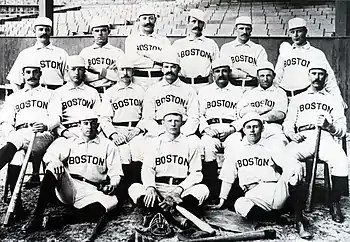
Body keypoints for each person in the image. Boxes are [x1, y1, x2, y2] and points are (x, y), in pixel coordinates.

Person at [22, 111, 123, 233]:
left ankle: (59, 219)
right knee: (53, 166)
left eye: (92, 123)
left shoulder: (108, 145)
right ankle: (36, 216)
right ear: (80, 125)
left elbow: (116, 172)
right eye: (86, 123)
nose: (89, 127)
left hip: (92, 190)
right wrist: (55, 161)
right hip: (70, 186)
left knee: (109, 205)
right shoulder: (70, 142)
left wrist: (113, 184)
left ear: (98, 125)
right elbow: (48, 156)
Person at [215, 112, 312, 239]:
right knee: (239, 204)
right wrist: (222, 199)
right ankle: (276, 218)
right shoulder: (236, 149)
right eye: (248, 127)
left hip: (275, 190)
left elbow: (285, 161)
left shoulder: (271, 145)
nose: (252, 131)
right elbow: (228, 176)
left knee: (293, 171)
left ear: (262, 128)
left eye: (256, 126)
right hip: (253, 194)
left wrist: (295, 166)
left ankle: (299, 222)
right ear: (243, 129)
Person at [283, 62, 348, 223]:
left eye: (321, 74)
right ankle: (292, 201)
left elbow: (342, 128)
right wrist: (292, 134)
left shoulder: (333, 100)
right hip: (303, 137)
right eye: (314, 73)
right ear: (308, 76)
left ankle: (334, 202)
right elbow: (288, 123)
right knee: (285, 156)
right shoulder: (298, 99)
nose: (317, 77)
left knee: (341, 160)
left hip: (325, 137)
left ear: (326, 77)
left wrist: (330, 126)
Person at [0, 59, 59, 221]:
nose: (31, 76)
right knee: (16, 158)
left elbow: (56, 117)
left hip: (42, 136)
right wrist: (11, 133)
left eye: (35, 72)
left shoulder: (50, 94)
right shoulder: (14, 97)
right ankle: (17, 204)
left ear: (40, 74)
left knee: (14, 145)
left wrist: (46, 125)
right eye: (28, 72)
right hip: (20, 136)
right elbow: (5, 121)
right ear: (23, 75)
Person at [128, 106, 209, 224]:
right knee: (134, 188)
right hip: (159, 186)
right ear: (163, 123)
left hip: (180, 188)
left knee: (203, 190)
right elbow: (147, 169)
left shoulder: (191, 143)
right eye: (169, 121)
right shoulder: (154, 142)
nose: (173, 124)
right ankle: (174, 215)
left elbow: (196, 174)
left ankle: (157, 213)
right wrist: (150, 187)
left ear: (182, 123)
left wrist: (178, 190)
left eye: (177, 121)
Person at [99, 55, 145, 202]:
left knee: (140, 150)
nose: (125, 73)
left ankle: (137, 189)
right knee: (123, 152)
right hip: (118, 129)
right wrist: (113, 134)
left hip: (136, 130)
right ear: (116, 71)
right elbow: (104, 118)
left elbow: (147, 116)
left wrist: (138, 129)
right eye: (122, 69)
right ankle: (123, 192)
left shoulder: (141, 90)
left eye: (128, 70)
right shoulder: (110, 92)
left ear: (133, 72)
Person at [198, 57, 243, 201]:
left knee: (236, 147)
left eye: (224, 71)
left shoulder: (238, 91)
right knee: (207, 146)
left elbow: (244, 115)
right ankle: (212, 189)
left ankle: (231, 191)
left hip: (231, 129)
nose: (221, 74)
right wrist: (205, 129)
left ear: (229, 73)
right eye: (217, 71)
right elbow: (199, 114)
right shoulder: (204, 91)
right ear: (212, 74)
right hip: (211, 128)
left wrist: (232, 128)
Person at [275, 17, 344, 105]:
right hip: (285, 98)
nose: (295, 35)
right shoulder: (285, 52)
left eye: (299, 31)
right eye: (292, 32)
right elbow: (277, 77)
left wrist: (338, 98)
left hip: (306, 97)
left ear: (305, 31)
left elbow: (329, 78)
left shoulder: (316, 53)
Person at [142, 50, 199, 137]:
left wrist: (183, 132)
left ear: (179, 69)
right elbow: (147, 118)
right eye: (166, 67)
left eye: (173, 67)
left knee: (197, 145)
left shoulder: (189, 90)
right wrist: (159, 132)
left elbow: (194, 117)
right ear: (162, 69)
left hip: (183, 130)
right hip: (158, 130)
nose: (169, 70)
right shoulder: (152, 90)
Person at [7, 16, 68, 91]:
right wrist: (21, 97)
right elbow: (14, 79)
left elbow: (69, 79)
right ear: (34, 31)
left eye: (47, 30)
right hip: (33, 93)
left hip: (55, 93)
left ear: (51, 32)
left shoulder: (61, 53)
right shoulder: (25, 53)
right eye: (40, 29)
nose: (44, 32)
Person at [236, 61, 288, 149]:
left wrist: (253, 112)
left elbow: (279, 114)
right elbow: (241, 112)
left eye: (268, 75)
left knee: (281, 144)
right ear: (257, 77)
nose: (265, 79)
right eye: (262, 76)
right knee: (242, 148)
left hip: (272, 127)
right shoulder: (249, 93)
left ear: (273, 76)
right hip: (252, 129)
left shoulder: (279, 92)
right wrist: (264, 109)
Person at [51, 55, 101, 138]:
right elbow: (54, 119)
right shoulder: (58, 92)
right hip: (67, 132)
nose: (77, 73)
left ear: (84, 71)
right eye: (73, 69)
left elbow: (99, 117)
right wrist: (66, 134)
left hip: (89, 132)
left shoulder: (92, 92)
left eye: (80, 69)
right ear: (67, 70)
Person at [172, 9, 219, 93]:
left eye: (200, 22)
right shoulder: (178, 44)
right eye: (193, 21)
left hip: (203, 85)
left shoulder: (211, 44)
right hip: (183, 85)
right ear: (188, 23)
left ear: (204, 25)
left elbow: (217, 68)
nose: (196, 25)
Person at [124, 6, 171, 90]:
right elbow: (132, 61)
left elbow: (167, 59)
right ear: (139, 20)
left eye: (151, 18)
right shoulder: (131, 39)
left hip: (159, 79)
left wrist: (145, 54)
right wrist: (155, 62)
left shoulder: (164, 40)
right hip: (138, 80)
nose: (148, 22)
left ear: (155, 20)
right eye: (144, 18)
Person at [220, 16, 268, 91]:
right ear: (236, 29)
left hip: (252, 88)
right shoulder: (226, 48)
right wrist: (247, 74)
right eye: (241, 28)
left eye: (247, 29)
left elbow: (261, 72)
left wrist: (241, 68)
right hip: (232, 88)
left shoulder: (259, 49)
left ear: (251, 30)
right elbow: (227, 72)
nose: (244, 32)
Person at [79, 17, 124, 93]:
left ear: (108, 32)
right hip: (91, 92)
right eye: (96, 31)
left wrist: (97, 71)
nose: (100, 33)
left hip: (111, 91)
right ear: (92, 32)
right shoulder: (85, 52)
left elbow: (121, 76)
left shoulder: (117, 52)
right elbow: (81, 76)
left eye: (103, 30)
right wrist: (106, 73)